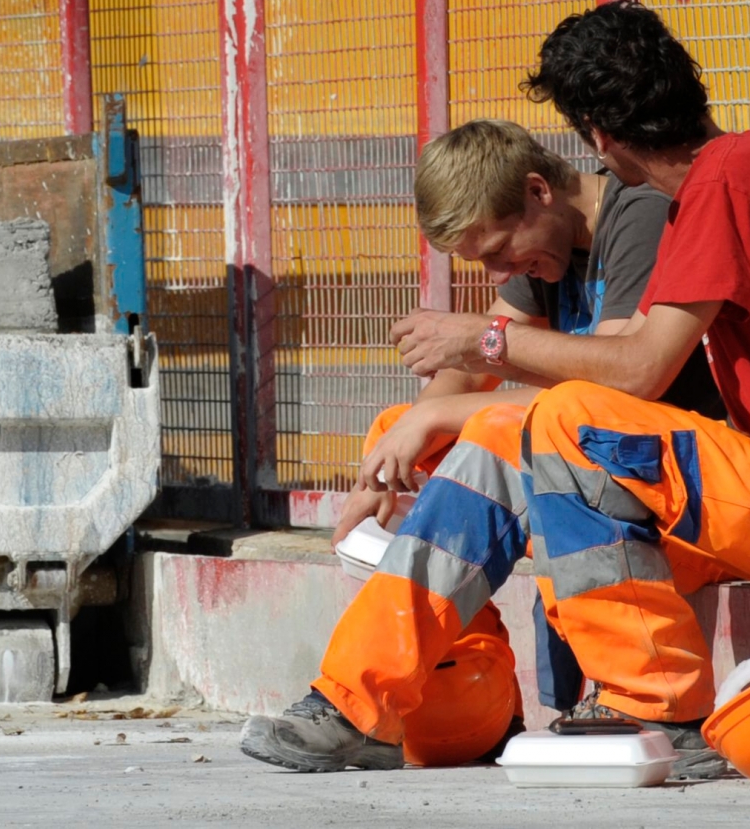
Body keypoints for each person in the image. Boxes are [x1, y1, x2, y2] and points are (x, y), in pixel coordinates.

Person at [241, 1, 750, 777]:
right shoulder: (723, 181)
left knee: (561, 418)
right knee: (496, 439)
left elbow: (638, 371)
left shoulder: (722, 186)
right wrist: (419, 427)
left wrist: (481, 345)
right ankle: (358, 701)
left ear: (599, 135)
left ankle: (661, 708)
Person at [244, 114, 720, 774]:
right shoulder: (547, 246)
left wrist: (444, 406)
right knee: (402, 433)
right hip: (592, 469)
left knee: (490, 430)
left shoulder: (635, 214)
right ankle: (471, 692)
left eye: (499, 251)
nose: (501, 271)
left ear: (537, 190)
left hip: (675, 487)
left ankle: (360, 697)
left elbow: (611, 392)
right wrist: (393, 457)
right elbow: (472, 369)